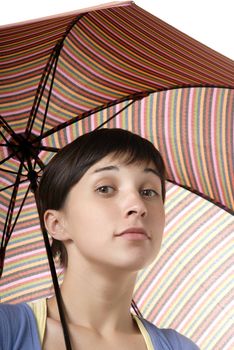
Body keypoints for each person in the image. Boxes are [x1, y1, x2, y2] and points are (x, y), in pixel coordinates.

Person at [0, 128, 199, 349]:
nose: (138, 206)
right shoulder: (7, 331)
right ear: (57, 224)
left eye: (148, 191)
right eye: (105, 188)